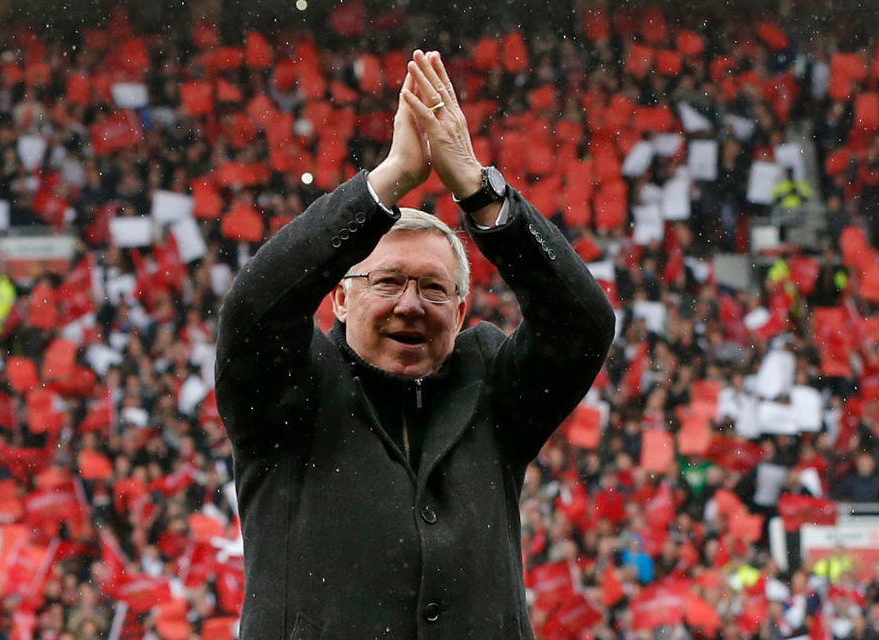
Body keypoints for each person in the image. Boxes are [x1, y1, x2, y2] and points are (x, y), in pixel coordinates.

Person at [215, 50, 615, 639]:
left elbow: (581, 324)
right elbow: (254, 309)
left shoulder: (492, 389)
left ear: (459, 312)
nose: (409, 304)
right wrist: (389, 181)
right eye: (387, 282)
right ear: (342, 299)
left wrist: (481, 193)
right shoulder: (294, 387)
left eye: (432, 288)